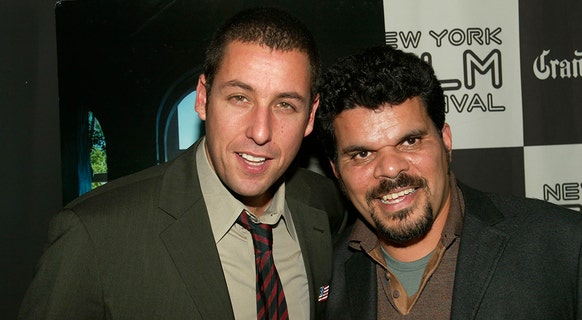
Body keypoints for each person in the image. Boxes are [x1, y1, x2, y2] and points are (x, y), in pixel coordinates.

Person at [19, 7, 345, 320]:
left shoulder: (322, 204)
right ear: (202, 98)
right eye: (240, 98)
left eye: (285, 104)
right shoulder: (93, 235)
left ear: (310, 117)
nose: (260, 132)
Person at [314, 45, 582, 319]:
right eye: (363, 153)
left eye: (409, 141)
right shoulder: (320, 274)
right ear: (336, 170)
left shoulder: (562, 246)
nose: (391, 168)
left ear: (445, 141)